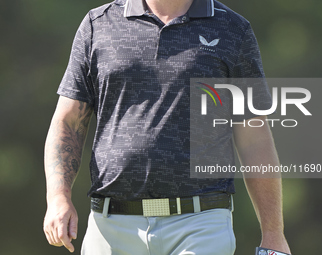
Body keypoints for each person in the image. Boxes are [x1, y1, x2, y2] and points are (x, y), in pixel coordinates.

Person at [43, 0, 292, 254]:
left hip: (200, 224)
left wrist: (273, 234)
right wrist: (58, 197)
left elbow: (255, 138)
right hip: (111, 226)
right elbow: (69, 121)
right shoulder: (98, 24)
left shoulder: (232, 28)